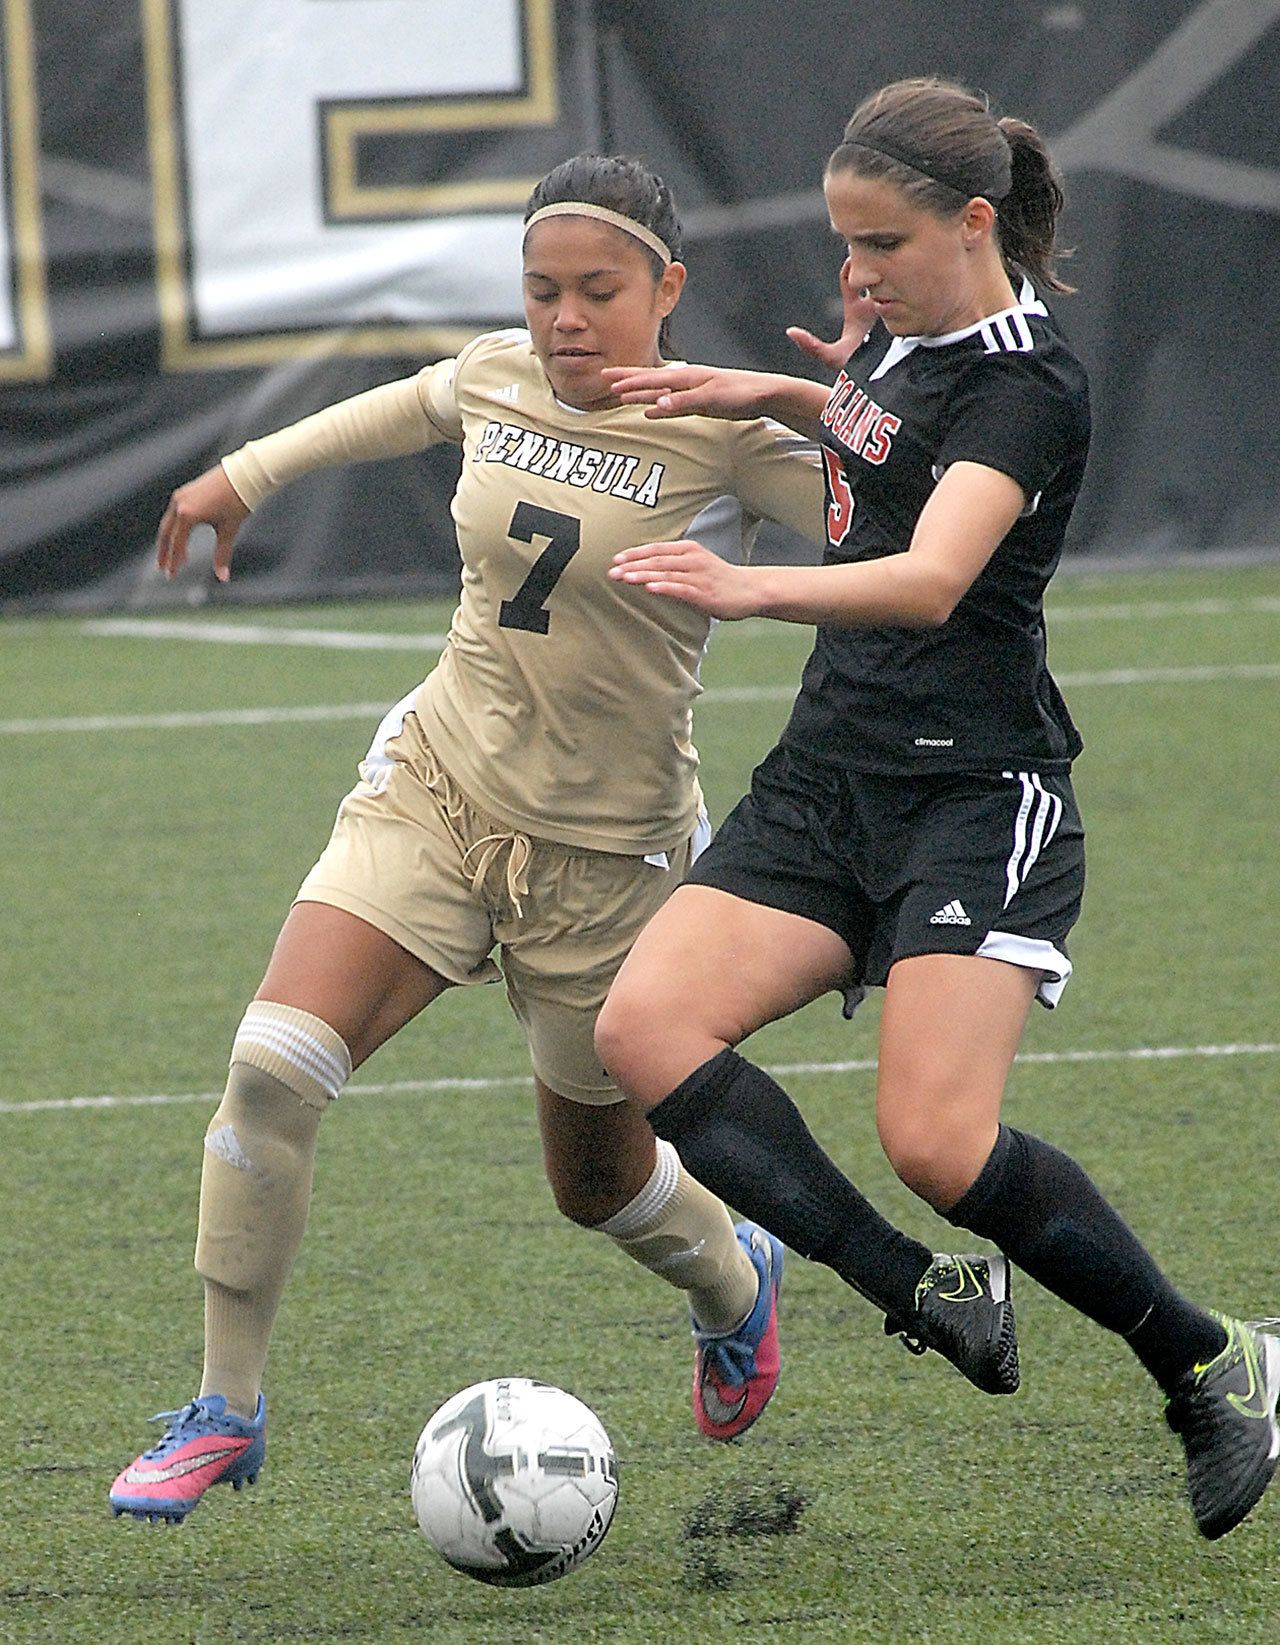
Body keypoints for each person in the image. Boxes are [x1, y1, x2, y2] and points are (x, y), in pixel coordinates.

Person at [107, 152, 860, 1523]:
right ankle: (225, 1407)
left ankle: (734, 1276)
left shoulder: (729, 435)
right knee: (271, 1069)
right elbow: (402, 404)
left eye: (598, 289)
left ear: (667, 289)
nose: (564, 316)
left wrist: (858, 408)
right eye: (542, 288)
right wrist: (243, 471)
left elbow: (915, 533)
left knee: (598, 1188)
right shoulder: (498, 372)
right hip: (438, 789)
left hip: (609, 862)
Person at [594, 79, 1280, 1543]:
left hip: (977, 795)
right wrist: (775, 394)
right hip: (832, 776)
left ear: (976, 224)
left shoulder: (1035, 387)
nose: (854, 274)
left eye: (880, 243)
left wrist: (747, 582)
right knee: (642, 1027)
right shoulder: (904, 336)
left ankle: (1208, 1361)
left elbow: (935, 571)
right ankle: (925, 1288)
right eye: (843, 242)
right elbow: (883, 440)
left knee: (937, 1142)